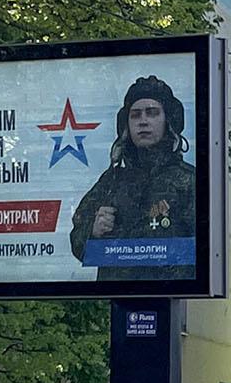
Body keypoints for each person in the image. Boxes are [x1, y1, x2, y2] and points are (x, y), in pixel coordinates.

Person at [69, 74, 197, 276]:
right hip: (119, 292)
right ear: (126, 124)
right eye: (135, 115)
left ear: (168, 121)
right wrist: (93, 231)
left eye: (152, 113)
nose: (143, 121)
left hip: (172, 293)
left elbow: (205, 248)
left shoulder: (188, 181)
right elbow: (78, 245)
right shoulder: (111, 181)